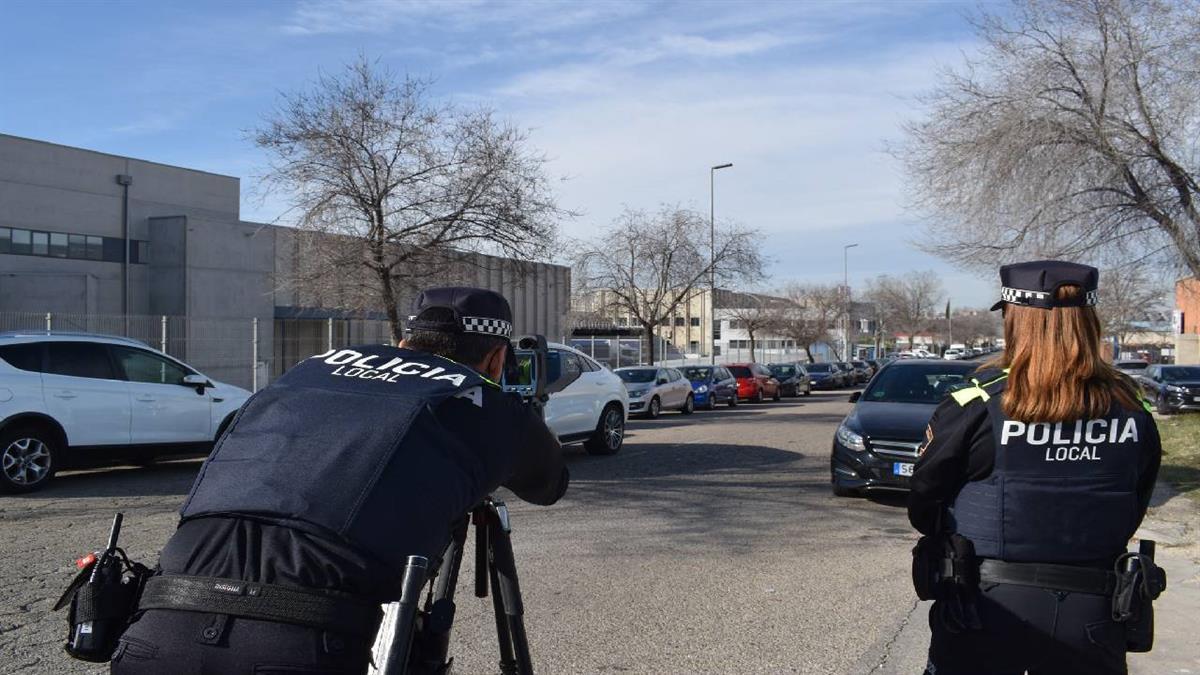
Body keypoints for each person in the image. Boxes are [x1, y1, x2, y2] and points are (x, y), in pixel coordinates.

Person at [112, 287, 569, 674]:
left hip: (153, 630)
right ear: (497, 358)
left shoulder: (308, 371)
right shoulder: (484, 404)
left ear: (404, 342)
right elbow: (550, 485)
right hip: (299, 650)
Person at [908, 261, 1161, 675]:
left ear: (1015, 320)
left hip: (986, 610)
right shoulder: (1132, 408)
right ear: (1089, 321)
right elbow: (1135, 503)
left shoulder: (977, 406)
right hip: (1094, 612)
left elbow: (924, 504)